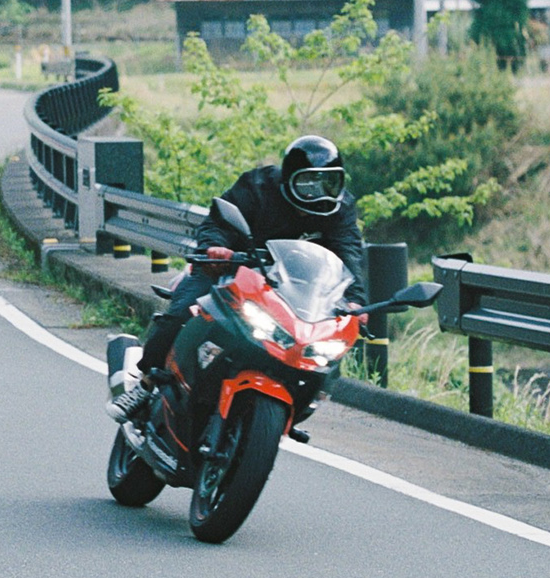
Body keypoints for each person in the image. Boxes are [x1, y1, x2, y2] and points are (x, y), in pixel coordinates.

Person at [113, 134, 367, 427]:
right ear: (289, 179)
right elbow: (218, 223)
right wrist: (215, 248)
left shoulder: (340, 208)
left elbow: (348, 251)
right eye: (308, 183)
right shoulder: (258, 187)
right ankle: (145, 384)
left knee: (318, 345)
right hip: (230, 270)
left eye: (329, 182)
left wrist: (356, 301)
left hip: (292, 289)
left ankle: (289, 407)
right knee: (184, 312)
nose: (320, 193)